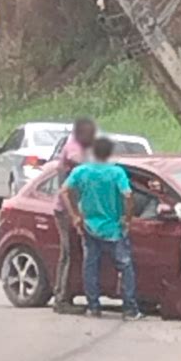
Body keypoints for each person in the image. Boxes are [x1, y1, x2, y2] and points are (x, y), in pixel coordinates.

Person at [60, 137, 141, 320]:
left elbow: (64, 191)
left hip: (89, 227)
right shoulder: (116, 173)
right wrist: (127, 219)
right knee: (125, 266)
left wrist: (75, 216)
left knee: (90, 266)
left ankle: (93, 307)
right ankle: (130, 309)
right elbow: (128, 195)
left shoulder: (81, 171)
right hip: (114, 229)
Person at [53, 117, 96, 314]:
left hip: (72, 209)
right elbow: (78, 163)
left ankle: (65, 295)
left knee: (70, 254)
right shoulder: (74, 148)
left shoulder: (79, 147)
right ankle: (61, 299)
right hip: (66, 211)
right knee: (68, 254)